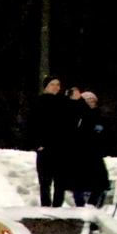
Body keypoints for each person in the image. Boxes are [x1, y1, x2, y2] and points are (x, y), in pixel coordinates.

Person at [66, 91, 112, 208]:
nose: (91, 102)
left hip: (95, 153)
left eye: (93, 100)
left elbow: (107, 133)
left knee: (100, 182)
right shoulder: (77, 115)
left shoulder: (100, 115)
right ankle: (80, 205)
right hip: (79, 153)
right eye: (88, 100)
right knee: (77, 182)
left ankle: (92, 205)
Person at [31, 76, 70, 207]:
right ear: (46, 87)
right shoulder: (39, 102)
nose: (55, 87)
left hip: (61, 147)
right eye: (52, 84)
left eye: (57, 84)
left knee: (60, 181)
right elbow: (32, 125)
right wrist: (37, 144)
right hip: (45, 147)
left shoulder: (64, 102)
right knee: (45, 181)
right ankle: (46, 206)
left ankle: (58, 207)